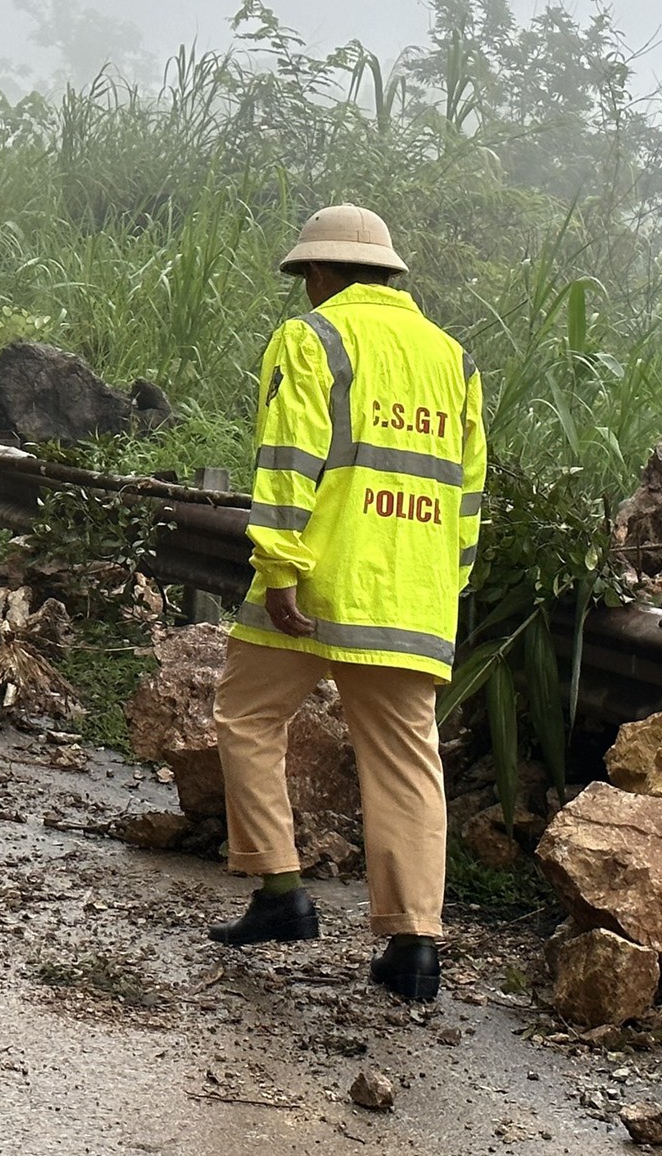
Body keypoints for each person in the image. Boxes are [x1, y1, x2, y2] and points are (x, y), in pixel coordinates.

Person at [207, 204, 485, 1003]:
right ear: (389, 274)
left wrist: (281, 563)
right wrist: (446, 582)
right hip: (412, 592)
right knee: (406, 762)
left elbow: (289, 459)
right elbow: (468, 493)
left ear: (319, 274)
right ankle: (413, 948)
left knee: (247, 719)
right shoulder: (453, 360)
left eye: (306, 280)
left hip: (314, 581)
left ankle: (281, 891)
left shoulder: (315, 337)